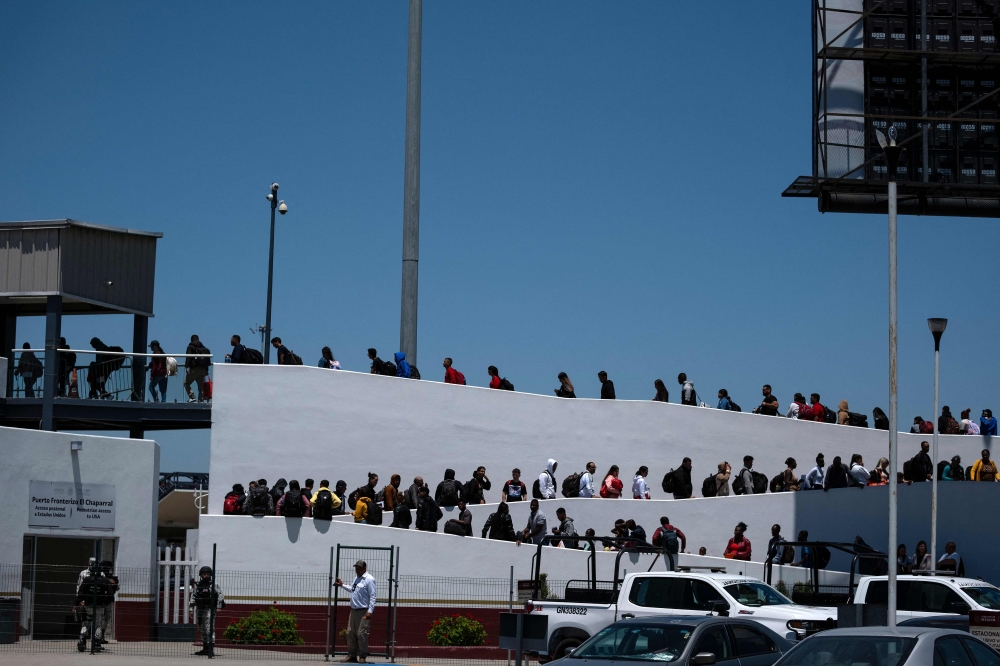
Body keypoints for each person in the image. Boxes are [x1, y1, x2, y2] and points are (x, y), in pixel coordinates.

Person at [335, 560, 376, 664]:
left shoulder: (369, 579)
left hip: (363, 611)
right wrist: (342, 585)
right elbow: (352, 590)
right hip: (353, 611)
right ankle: (352, 656)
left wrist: (370, 611)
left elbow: (372, 596)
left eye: (359, 568)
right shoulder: (357, 579)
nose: (356, 570)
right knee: (350, 633)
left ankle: (362, 656)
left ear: (364, 569)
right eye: (356, 568)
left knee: (361, 634)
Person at [189, 566, 224, 657]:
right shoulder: (198, 585)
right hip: (200, 609)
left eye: (207, 574)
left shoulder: (213, 585)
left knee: (209, 629)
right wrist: (191, 610)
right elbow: (193, 597)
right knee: (201, 629)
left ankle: (210, 649)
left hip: (209, 609)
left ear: (210, 575)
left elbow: (220, 595)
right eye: (204, 574)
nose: (206, 575)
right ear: (201, 575)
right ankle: (205, 648)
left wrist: (218, 607)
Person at [184, 335, 211, 402]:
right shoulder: (203, 347)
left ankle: (192, 396)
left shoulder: (191, 347)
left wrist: (186, 366)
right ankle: (201, 401)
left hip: (194, 369)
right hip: (203, 369)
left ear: (191, 340)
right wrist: (206, 370)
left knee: (186, 383)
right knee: (200, 387)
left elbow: (188, 357)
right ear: (198, 339)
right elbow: (205, 359)